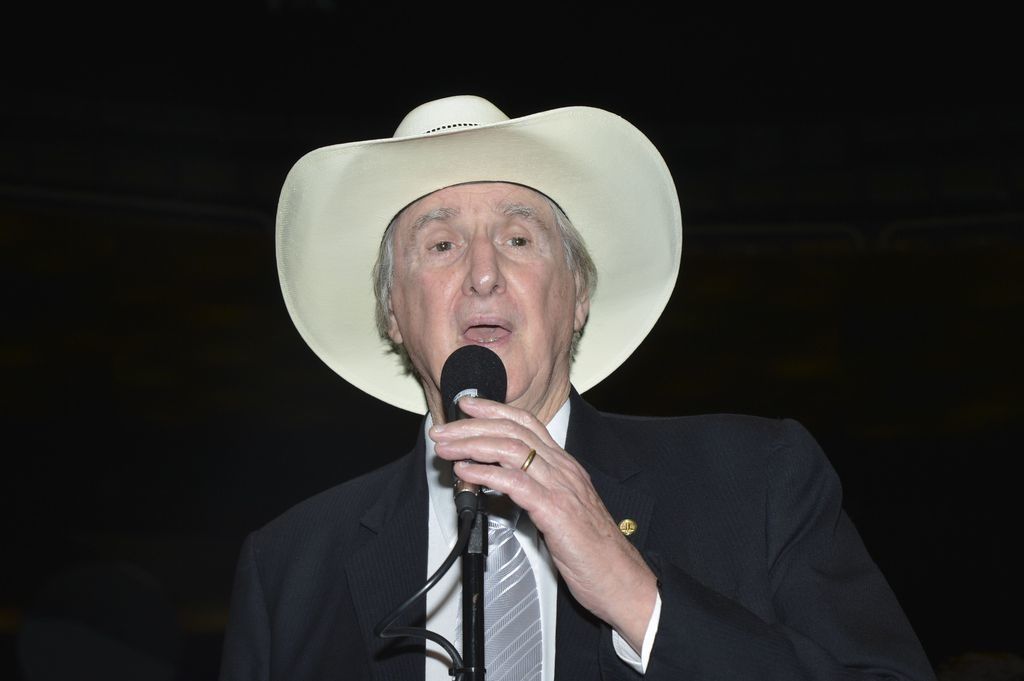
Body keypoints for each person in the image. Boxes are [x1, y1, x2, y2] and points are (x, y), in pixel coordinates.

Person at [218, 95, 937, 681]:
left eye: (518, 239)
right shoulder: (290, 568)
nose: (483, 273)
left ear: (579, 297)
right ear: (394, 315)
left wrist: (637, 595)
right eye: (440, 245)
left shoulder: (756, 481)